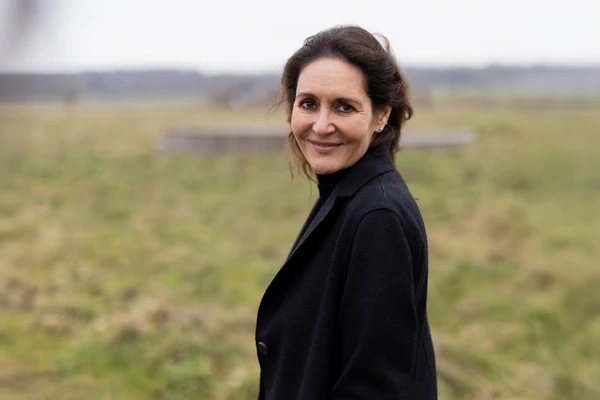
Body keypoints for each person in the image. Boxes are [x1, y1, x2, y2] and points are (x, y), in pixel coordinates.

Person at [255, 25, 437, 399]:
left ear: (381, 115)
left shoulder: (377, 217)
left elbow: (374, 388)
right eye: (308, 103)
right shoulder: (345, 194)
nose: (321, 126)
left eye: (344, 106)